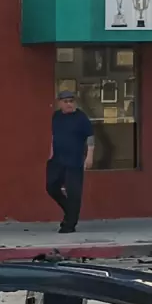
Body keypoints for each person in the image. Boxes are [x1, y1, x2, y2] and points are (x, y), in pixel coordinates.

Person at [47, 91, 95, 233]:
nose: (69, 104)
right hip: (57, 159)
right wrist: (50, 153)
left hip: (74, 161)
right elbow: (54, 135)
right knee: (51, 186)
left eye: (71, 101)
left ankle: (70, 224)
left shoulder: (81, 118)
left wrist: (89, 156)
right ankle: (70, 210)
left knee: (73, 192)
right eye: (66, 101)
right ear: (59, 103)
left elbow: (90, 137)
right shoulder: (56, 116)